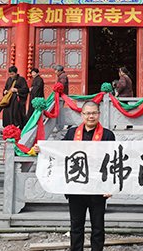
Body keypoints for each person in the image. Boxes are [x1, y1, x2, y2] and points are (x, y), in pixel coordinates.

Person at [33, 101, 115, 251]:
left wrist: (110, 186)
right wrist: (43, 149)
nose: (91, 116)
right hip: (75, 187)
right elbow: (59, 152)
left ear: (99, 114)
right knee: (76, 226)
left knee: (98, 226)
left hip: (98, 188)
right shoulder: (72, 133)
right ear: (82, 115)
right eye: (87, 113)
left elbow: (112, 162)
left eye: (94, 113)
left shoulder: (108, 135)